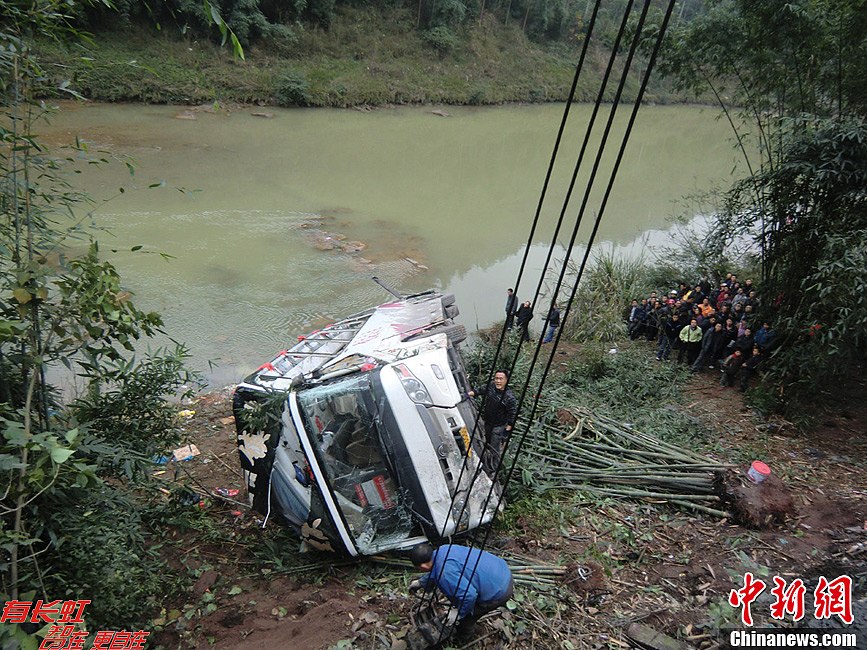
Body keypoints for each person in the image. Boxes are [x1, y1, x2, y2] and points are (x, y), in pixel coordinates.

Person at [408, 543, 514, 643]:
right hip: (501, 571)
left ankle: (464, 639)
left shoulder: (445, 573)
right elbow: (438, 569)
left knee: (464, 621)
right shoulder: (443, 550)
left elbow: (469, 596)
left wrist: (459, 613)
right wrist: (420, 582)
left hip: (499, 591)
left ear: (423, 567)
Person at [468, 370, 517, 473]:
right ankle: (487, 462)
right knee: (487, 443)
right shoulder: (491, 386)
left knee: (495, 449)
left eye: (501, 379)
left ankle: (492, 470)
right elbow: (480, 390)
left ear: (506, 380)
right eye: (496, 378)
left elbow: (512, 416)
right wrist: (468, 394)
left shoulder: (509, 398)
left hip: (498, 427)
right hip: (488, 423)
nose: (498, 381)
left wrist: (506, 432)